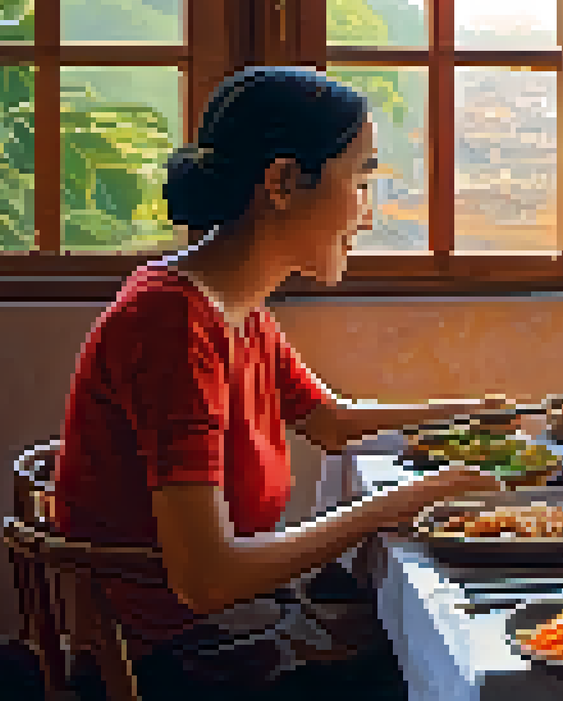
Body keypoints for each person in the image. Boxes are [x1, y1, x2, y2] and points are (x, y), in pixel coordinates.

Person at [52, 67, 504, 689]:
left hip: (238, 624)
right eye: (361, 180)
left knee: (423, 623)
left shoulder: (233, 307)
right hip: (176, 661)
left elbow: (332, 421)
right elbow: (207, 579)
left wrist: (490, 415)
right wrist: (390, 507)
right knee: (455, 658)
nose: (368, 216)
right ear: (283, 182)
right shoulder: (171, 325)